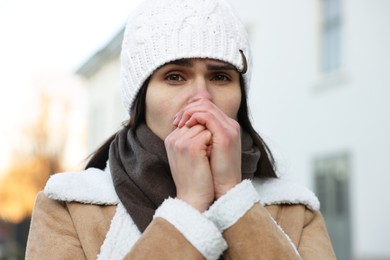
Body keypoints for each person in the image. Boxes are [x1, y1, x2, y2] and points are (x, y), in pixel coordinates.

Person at [26, 0, 336, 259]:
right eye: (175, 76)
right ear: (140, 98)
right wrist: (188, 207)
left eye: (221, 77)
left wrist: (233, 198)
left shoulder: (294, 210)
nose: (201, 97)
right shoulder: (69, 206)